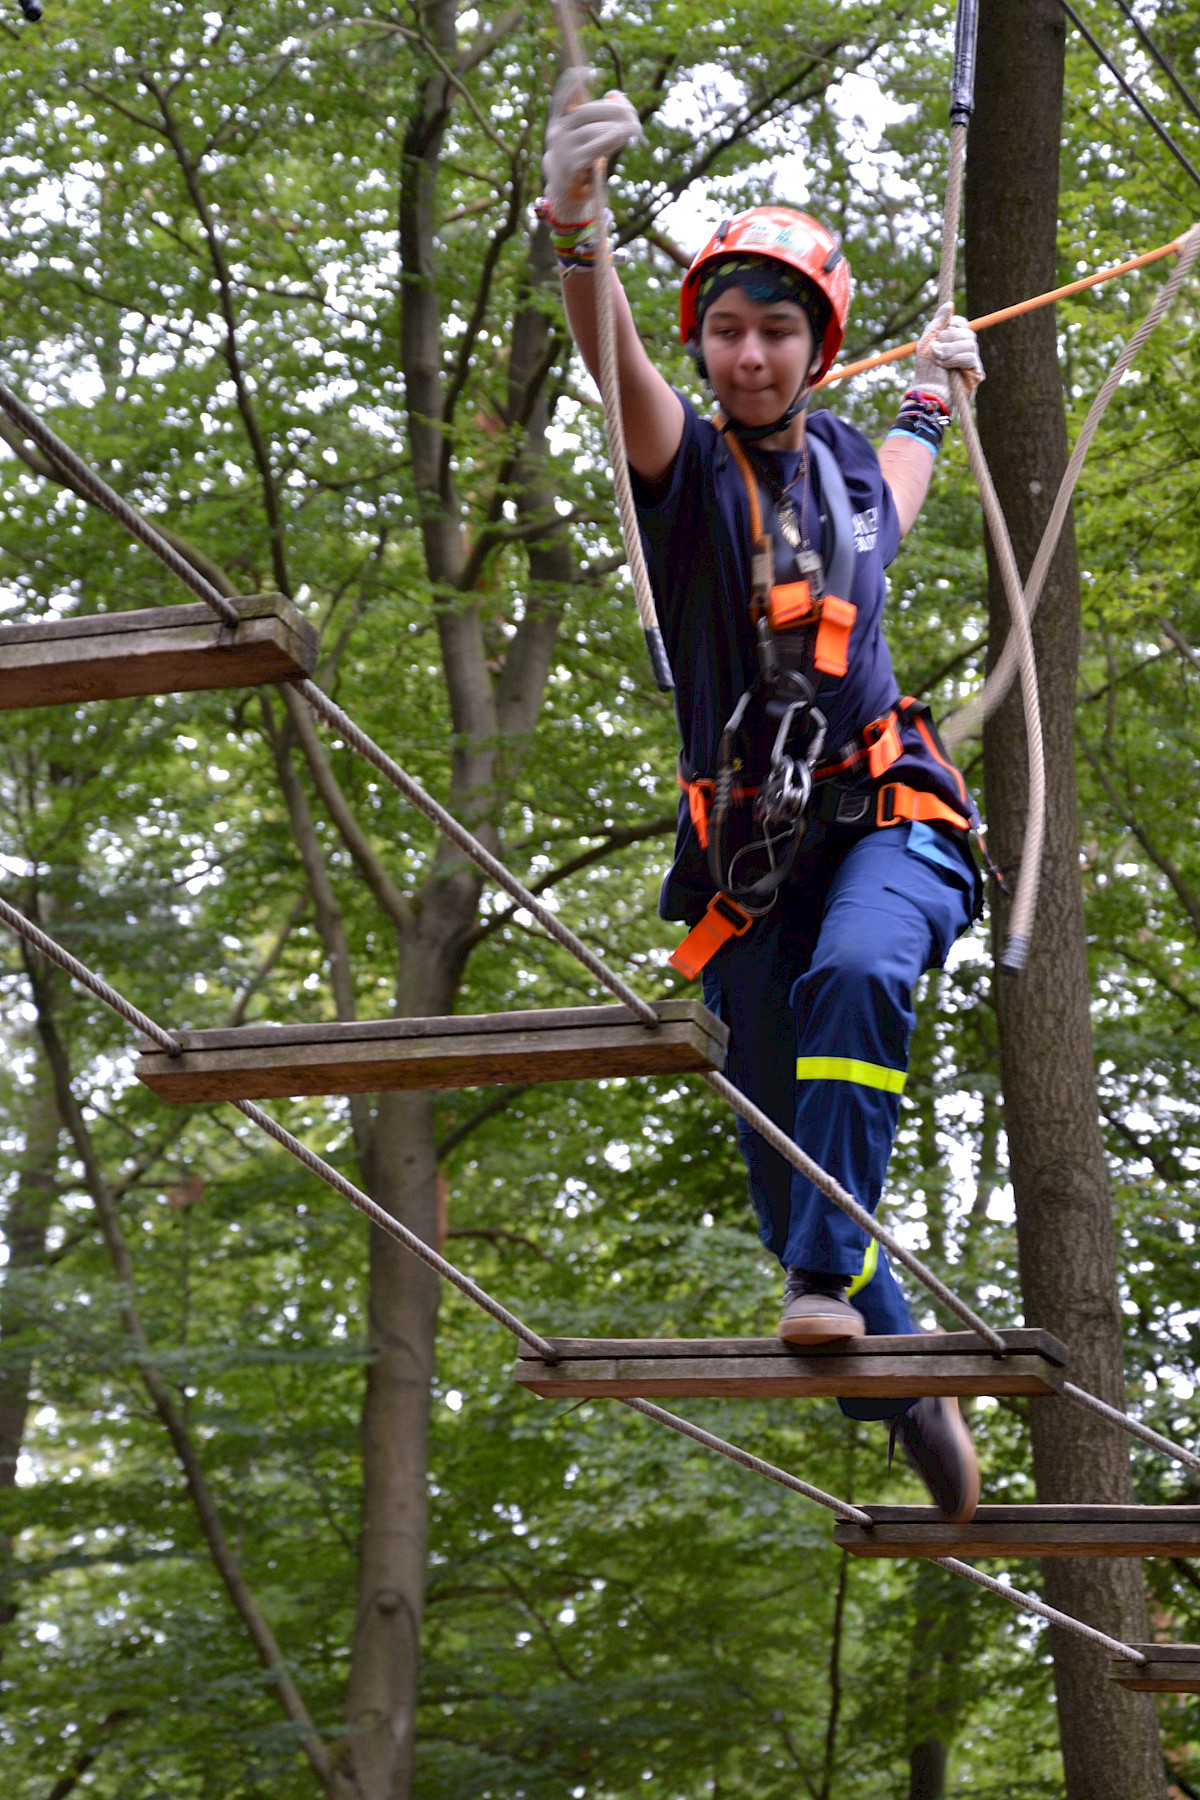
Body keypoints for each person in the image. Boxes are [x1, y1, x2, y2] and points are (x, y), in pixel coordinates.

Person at [541, 75, 986, 1521]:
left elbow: (912, 466)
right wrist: (573, 226)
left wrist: (936, 384)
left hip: (892, 824)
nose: (747, 353)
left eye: (776, 329)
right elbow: (616, 375)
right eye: (726, 330)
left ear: (815, 348)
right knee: (788, 1154)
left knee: (863, 976)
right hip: (750, 865)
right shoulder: (690, 480)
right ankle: (903, 1371)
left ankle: (832, 1293)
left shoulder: (856, 483)